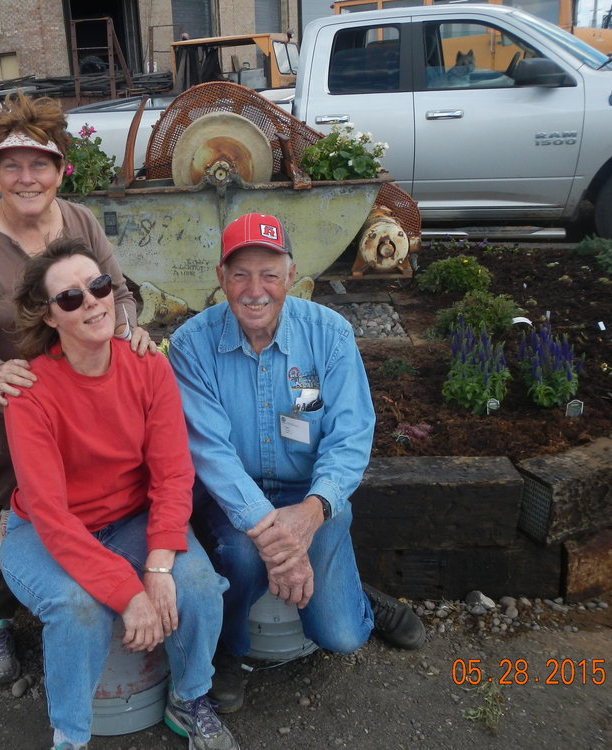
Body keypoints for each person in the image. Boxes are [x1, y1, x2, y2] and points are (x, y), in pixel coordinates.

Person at [0, 93, 156, 686]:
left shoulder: (80, 222)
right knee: (17, 515)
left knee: (97, 499)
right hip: (21, 406)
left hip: (92, 401)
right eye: (12, 166)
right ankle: (0, 620)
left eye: (40, 164)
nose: (27, 178)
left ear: (62, 170)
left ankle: (90, 592)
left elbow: (121, 293)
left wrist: (130, 329)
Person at [168, 213, 425, 714]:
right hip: (234, 501)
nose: (254, 289)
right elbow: (210, 451)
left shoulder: (329, 334)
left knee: (344, 637)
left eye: (269, 273)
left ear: (291, 275)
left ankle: (360, 598)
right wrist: (271, 533)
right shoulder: (192, 345)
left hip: (311, 496)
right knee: (240, 556)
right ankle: (228, 648)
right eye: (240, 274)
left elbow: (349, 436)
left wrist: (308, 515)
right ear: (221, 278)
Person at [0, 237, 238, 750]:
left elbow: (173, 475)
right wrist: (128, 593)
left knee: (195, 585)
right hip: (45, 532)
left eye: (99, 285)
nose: (91, 302)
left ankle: (190, 698)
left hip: (129, 519)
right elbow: (49, 512)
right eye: (70, 298)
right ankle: (71, 736)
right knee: (76, 606)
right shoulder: (31, 392)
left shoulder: (148, 366)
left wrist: (156, 566)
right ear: (48, 317)